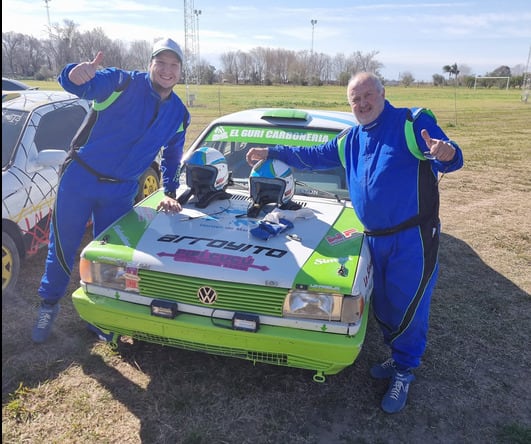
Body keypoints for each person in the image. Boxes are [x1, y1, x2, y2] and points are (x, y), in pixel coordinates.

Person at [246, 72, 463, 414]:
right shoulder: (351, 139)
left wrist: (446, 153)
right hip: (374, 238)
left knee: (410, 305)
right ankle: (397, 357)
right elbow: (312, 156)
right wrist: (272, 151)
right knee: (384, 304)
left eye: (367, 96)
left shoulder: (411, 122)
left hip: (412, 238)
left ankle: (405, 370)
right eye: (355, 100)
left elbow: (450, 157)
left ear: (382, 93)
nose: (362, 104)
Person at [32, 38, 189, 344]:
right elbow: (82, 84)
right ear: (150, 64)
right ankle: (48, 306)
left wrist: (170, 190)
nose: (167, 70)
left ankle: (101, 316)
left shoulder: (179, 114)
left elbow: (172, 156)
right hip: (80, 179)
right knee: (63, 245)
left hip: (120, 191)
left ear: (180, 71)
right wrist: (74, 74)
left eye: (174, 65)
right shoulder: (122, 82)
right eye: (162, 62)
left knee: (111, 257)